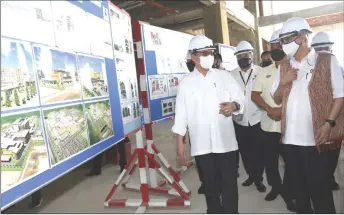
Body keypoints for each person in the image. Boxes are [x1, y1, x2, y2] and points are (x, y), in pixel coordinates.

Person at [271, 17, 344, 213]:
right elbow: (277, 98)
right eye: (282, 40)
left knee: (320, 190)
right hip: (290, 140)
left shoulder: (326, 60)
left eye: (288, 39)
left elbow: (339, 95)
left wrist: (328, 123)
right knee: (299, 190)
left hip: (315, 139)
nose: (284, 44)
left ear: (303, 36)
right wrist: (284, 82)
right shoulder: (283, 67)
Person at [173, 35, 244, 214]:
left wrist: (233, 105)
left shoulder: (224, 76)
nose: (209, 56)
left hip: (226, 142)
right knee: (210, 185)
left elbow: (240, 97)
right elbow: (181, 115)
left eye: (211, 52)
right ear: (194, 57)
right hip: (202, 144)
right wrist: (180, 142)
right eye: (205, 53)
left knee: (229, 184)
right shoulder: (186, 84)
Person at [251, 29, 296, 211]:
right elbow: (255, 94)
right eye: (273, 45)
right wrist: (269, 108)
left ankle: (289, 191)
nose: (276, 48)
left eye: (279, 45)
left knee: (292, 163)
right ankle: (276, 187)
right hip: (268, 126)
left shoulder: (295, 67)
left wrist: (283, 110)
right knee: (270, 162)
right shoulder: (265, 71)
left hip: (290, 127)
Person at [230, 41, 266, 193]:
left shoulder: (260, 71)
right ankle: (251, 175)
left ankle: (258, 179)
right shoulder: (231, 75)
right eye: (240, 55)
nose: (243, 57)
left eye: (246, 54)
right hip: (239, 120)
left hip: (257, 119)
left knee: (258, 151)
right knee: (245, 152)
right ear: (236, 57)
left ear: (252, 55)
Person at [311, 31, 343, 191]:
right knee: (321, 153)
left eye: (325, 48)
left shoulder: (338, 66)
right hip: (319, 119)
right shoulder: (309, 69)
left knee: (334, 151)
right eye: (318, 49)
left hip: (336, 118)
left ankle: (329, 176)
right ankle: (324, 178)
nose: (322, 52)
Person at [185, 58, 206, 195]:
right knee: (199, 158)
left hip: (210, 126)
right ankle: (205, 182)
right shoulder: (186, 83)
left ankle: (214, 180)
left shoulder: (210, 78)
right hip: (195, 129)